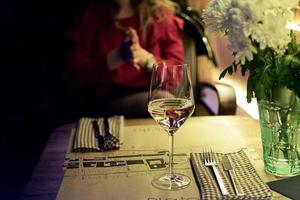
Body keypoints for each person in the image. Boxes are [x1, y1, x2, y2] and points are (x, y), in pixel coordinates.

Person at [64, 0, 185, 119]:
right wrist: (115, 58)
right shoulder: (90, 16)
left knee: (165, 103)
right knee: (163, 103)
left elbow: (178, 74)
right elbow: (72, 76)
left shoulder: (159, 13)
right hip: (105, 100)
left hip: (153, 94)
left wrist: (146, 58)